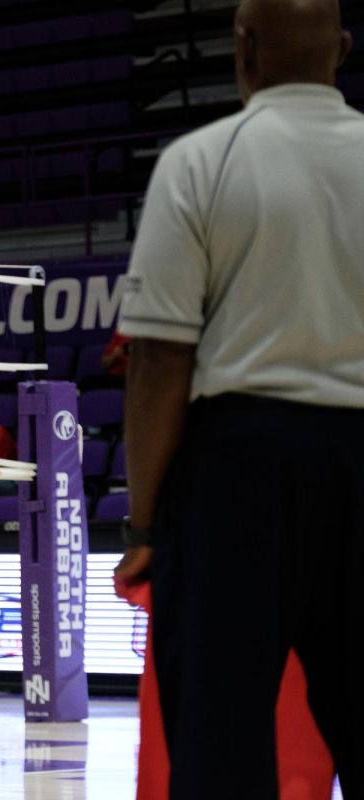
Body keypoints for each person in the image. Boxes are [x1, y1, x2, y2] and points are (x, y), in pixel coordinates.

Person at [113, 1, 362, 796]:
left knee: (222, 735)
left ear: (243, 49)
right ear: (344, 50)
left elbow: (158, 358)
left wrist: (148, 518)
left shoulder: (201, 160)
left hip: (240, 467)